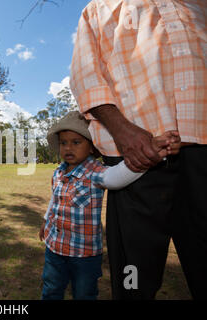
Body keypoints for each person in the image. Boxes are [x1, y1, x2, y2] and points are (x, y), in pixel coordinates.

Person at [70, 0, 206, 299]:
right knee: (133, 279)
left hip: (203, 153)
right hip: (136, 159)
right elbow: (85, 75)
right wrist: (122, 130)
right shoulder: (98, 9)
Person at [39, 111, 180, 300]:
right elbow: (55, 200)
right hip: (54, 247)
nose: (68, 148)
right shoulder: (58, 172)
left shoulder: (95, 172)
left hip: (83, 253)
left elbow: (117, 177)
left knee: (84, 294)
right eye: (63, 143)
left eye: (76, 142)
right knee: (51, 288)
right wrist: (46, 220)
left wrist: (148, 157)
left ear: (91, 148)